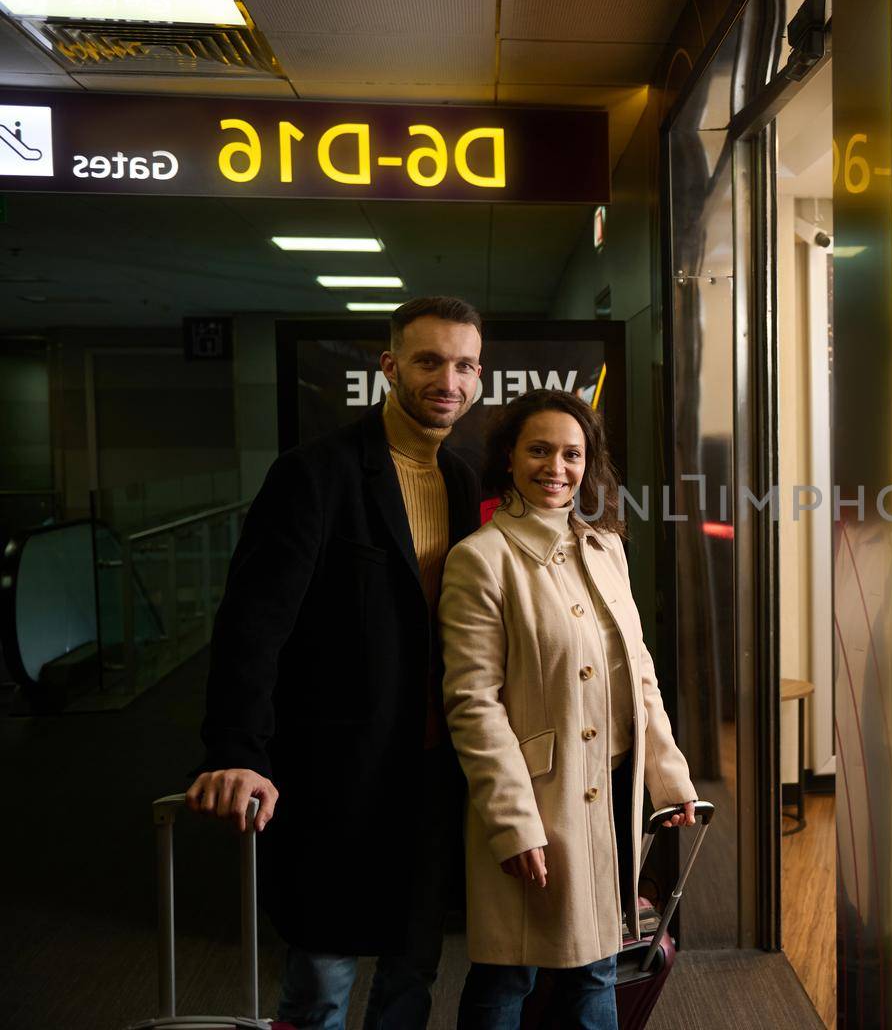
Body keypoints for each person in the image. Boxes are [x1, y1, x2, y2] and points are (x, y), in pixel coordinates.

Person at [185, 297, 486, 1030]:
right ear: (389, 368)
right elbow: (252, 628)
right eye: (429, 361)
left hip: (432, 773)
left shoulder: (464, 482)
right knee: (321, 981)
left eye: (466, 364)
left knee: (413, 974)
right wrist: (236, 751)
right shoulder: (313, 475)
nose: (449, 379)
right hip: (335, 775)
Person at [439, 389, 698, 1030]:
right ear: (509, 458)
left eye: (573, 454)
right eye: (540, 450)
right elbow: (473, 704)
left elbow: (638, 670)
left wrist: (669, 776)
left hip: (613, 788)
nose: (557, 467)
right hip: (539, 793)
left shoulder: (606, 546)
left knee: (598, 964)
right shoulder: (481, 559)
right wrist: (513, 822)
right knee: (509, 970)